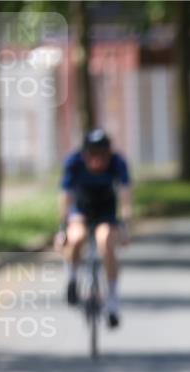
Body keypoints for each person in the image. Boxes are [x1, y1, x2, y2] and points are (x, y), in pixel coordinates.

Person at [57, 129, 132, 328]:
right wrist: (62, 228)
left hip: (106, 210)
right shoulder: (73, 162)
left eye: (102, 156)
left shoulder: (118, 162)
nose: (97, 161)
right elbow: (66, 196)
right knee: (76, 238)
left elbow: (125, 195)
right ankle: (72, 279)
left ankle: (112, 300)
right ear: (85, 154)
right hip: (81, 209)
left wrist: (125, 225)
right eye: (93, 155)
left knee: (106, 241)